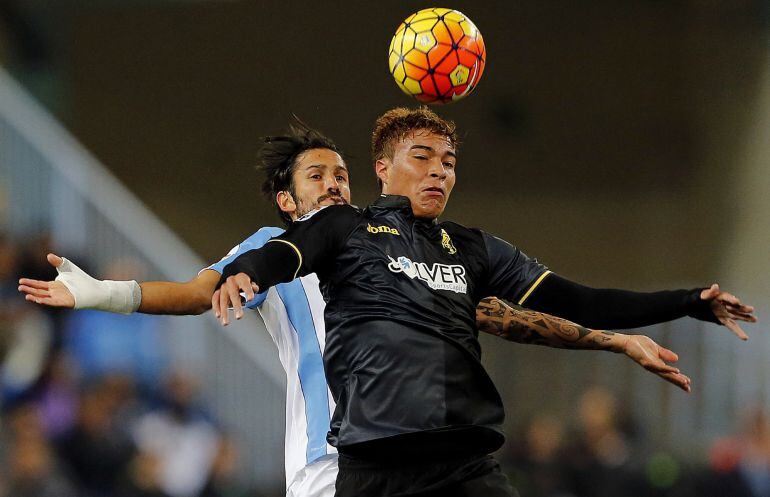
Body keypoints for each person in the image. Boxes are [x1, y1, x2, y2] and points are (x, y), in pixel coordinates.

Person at [17, 120, 698, 497]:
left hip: (416, 456)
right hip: (326, 465)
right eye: (318, 175)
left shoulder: (381, 245)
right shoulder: (273, 247)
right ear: (287, 200)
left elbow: (500, 314)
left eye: (342, 173)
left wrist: (615, 341)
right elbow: (199, 293)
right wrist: (103, 293)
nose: (335, 183)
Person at [213, 107, 757, 497]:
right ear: (382, 168)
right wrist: (240, 272)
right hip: (366, 464)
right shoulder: (344, 228)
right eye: (422, 157)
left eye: (448, 162)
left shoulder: (471, 249)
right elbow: (278, 255)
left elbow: (575, 300)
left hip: (460, 463)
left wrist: (686, 302)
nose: (438, 171)